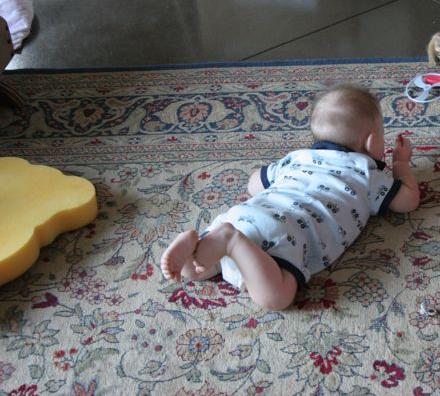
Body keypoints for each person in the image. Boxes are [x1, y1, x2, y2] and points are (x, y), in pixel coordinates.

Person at [160, 85, 420, 310]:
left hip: (245, 215)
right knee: (276, 297)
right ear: (372, 142)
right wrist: (400, 164)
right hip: (285, 232)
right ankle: (230, 241)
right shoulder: (366, 173)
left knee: (196, 269)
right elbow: (408, 201)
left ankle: (201, 243)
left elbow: (253, 184)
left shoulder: (298, 158)